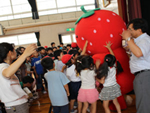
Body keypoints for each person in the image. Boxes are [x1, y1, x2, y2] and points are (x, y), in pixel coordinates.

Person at [121, 18, 150, 113]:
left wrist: (128, 39)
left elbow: (138, 53)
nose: (128, 31)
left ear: (139, 30)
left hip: (144, 75)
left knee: (143, 105)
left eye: (130, 29)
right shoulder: (139, 41)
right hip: (143, 75)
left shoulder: (144, 40)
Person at [0, 43, 36, 113]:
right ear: (10, 53)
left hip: (16, 104)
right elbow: (7, 74)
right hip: (16, 105)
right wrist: (24, 54)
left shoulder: (6, 66)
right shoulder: (2, 67)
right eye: (14, 50)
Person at [96, 42, 122, 113]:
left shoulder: (104, 70)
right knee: (116, 103)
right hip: (114, 87)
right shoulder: (114, 66)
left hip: (107, 89)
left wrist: (96, 78)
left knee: (105, 106)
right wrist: (109, 48)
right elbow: (113, 56)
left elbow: (102, 82)